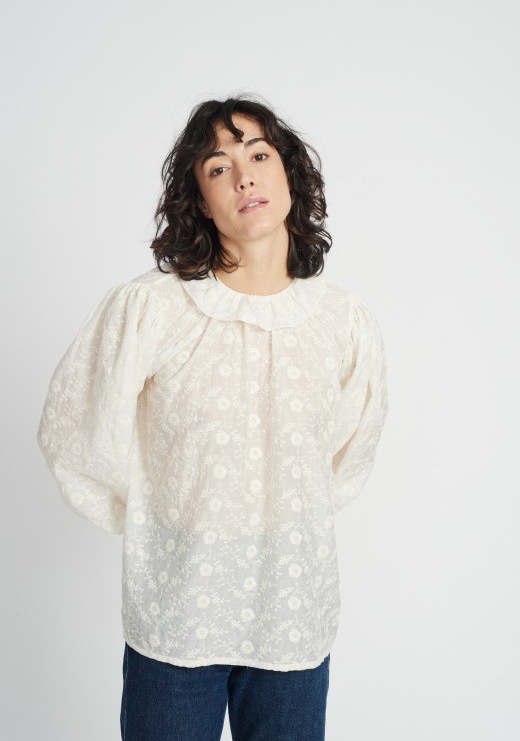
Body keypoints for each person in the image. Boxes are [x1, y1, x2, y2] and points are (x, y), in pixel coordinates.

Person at [36, 94, 389, 740]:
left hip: (292, 613)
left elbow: (344, 454)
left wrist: (282, 514)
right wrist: (157, 522)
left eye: (259, 155)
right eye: (219, 168)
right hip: (178, 617)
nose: (245, 177)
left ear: (289, 174)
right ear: (200, 200)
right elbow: (75, 430)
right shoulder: (152, 308)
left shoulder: (343, 320)